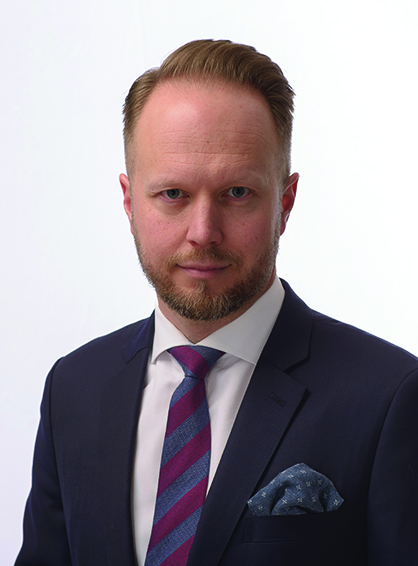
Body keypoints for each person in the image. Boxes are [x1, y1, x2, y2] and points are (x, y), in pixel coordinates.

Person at [15, 39, 418, 566]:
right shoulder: (73, 389)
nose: (203, 232)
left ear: (285, 202)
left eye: (237, 193)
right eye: (173, 194)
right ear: (129, 201)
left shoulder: (391, 398)